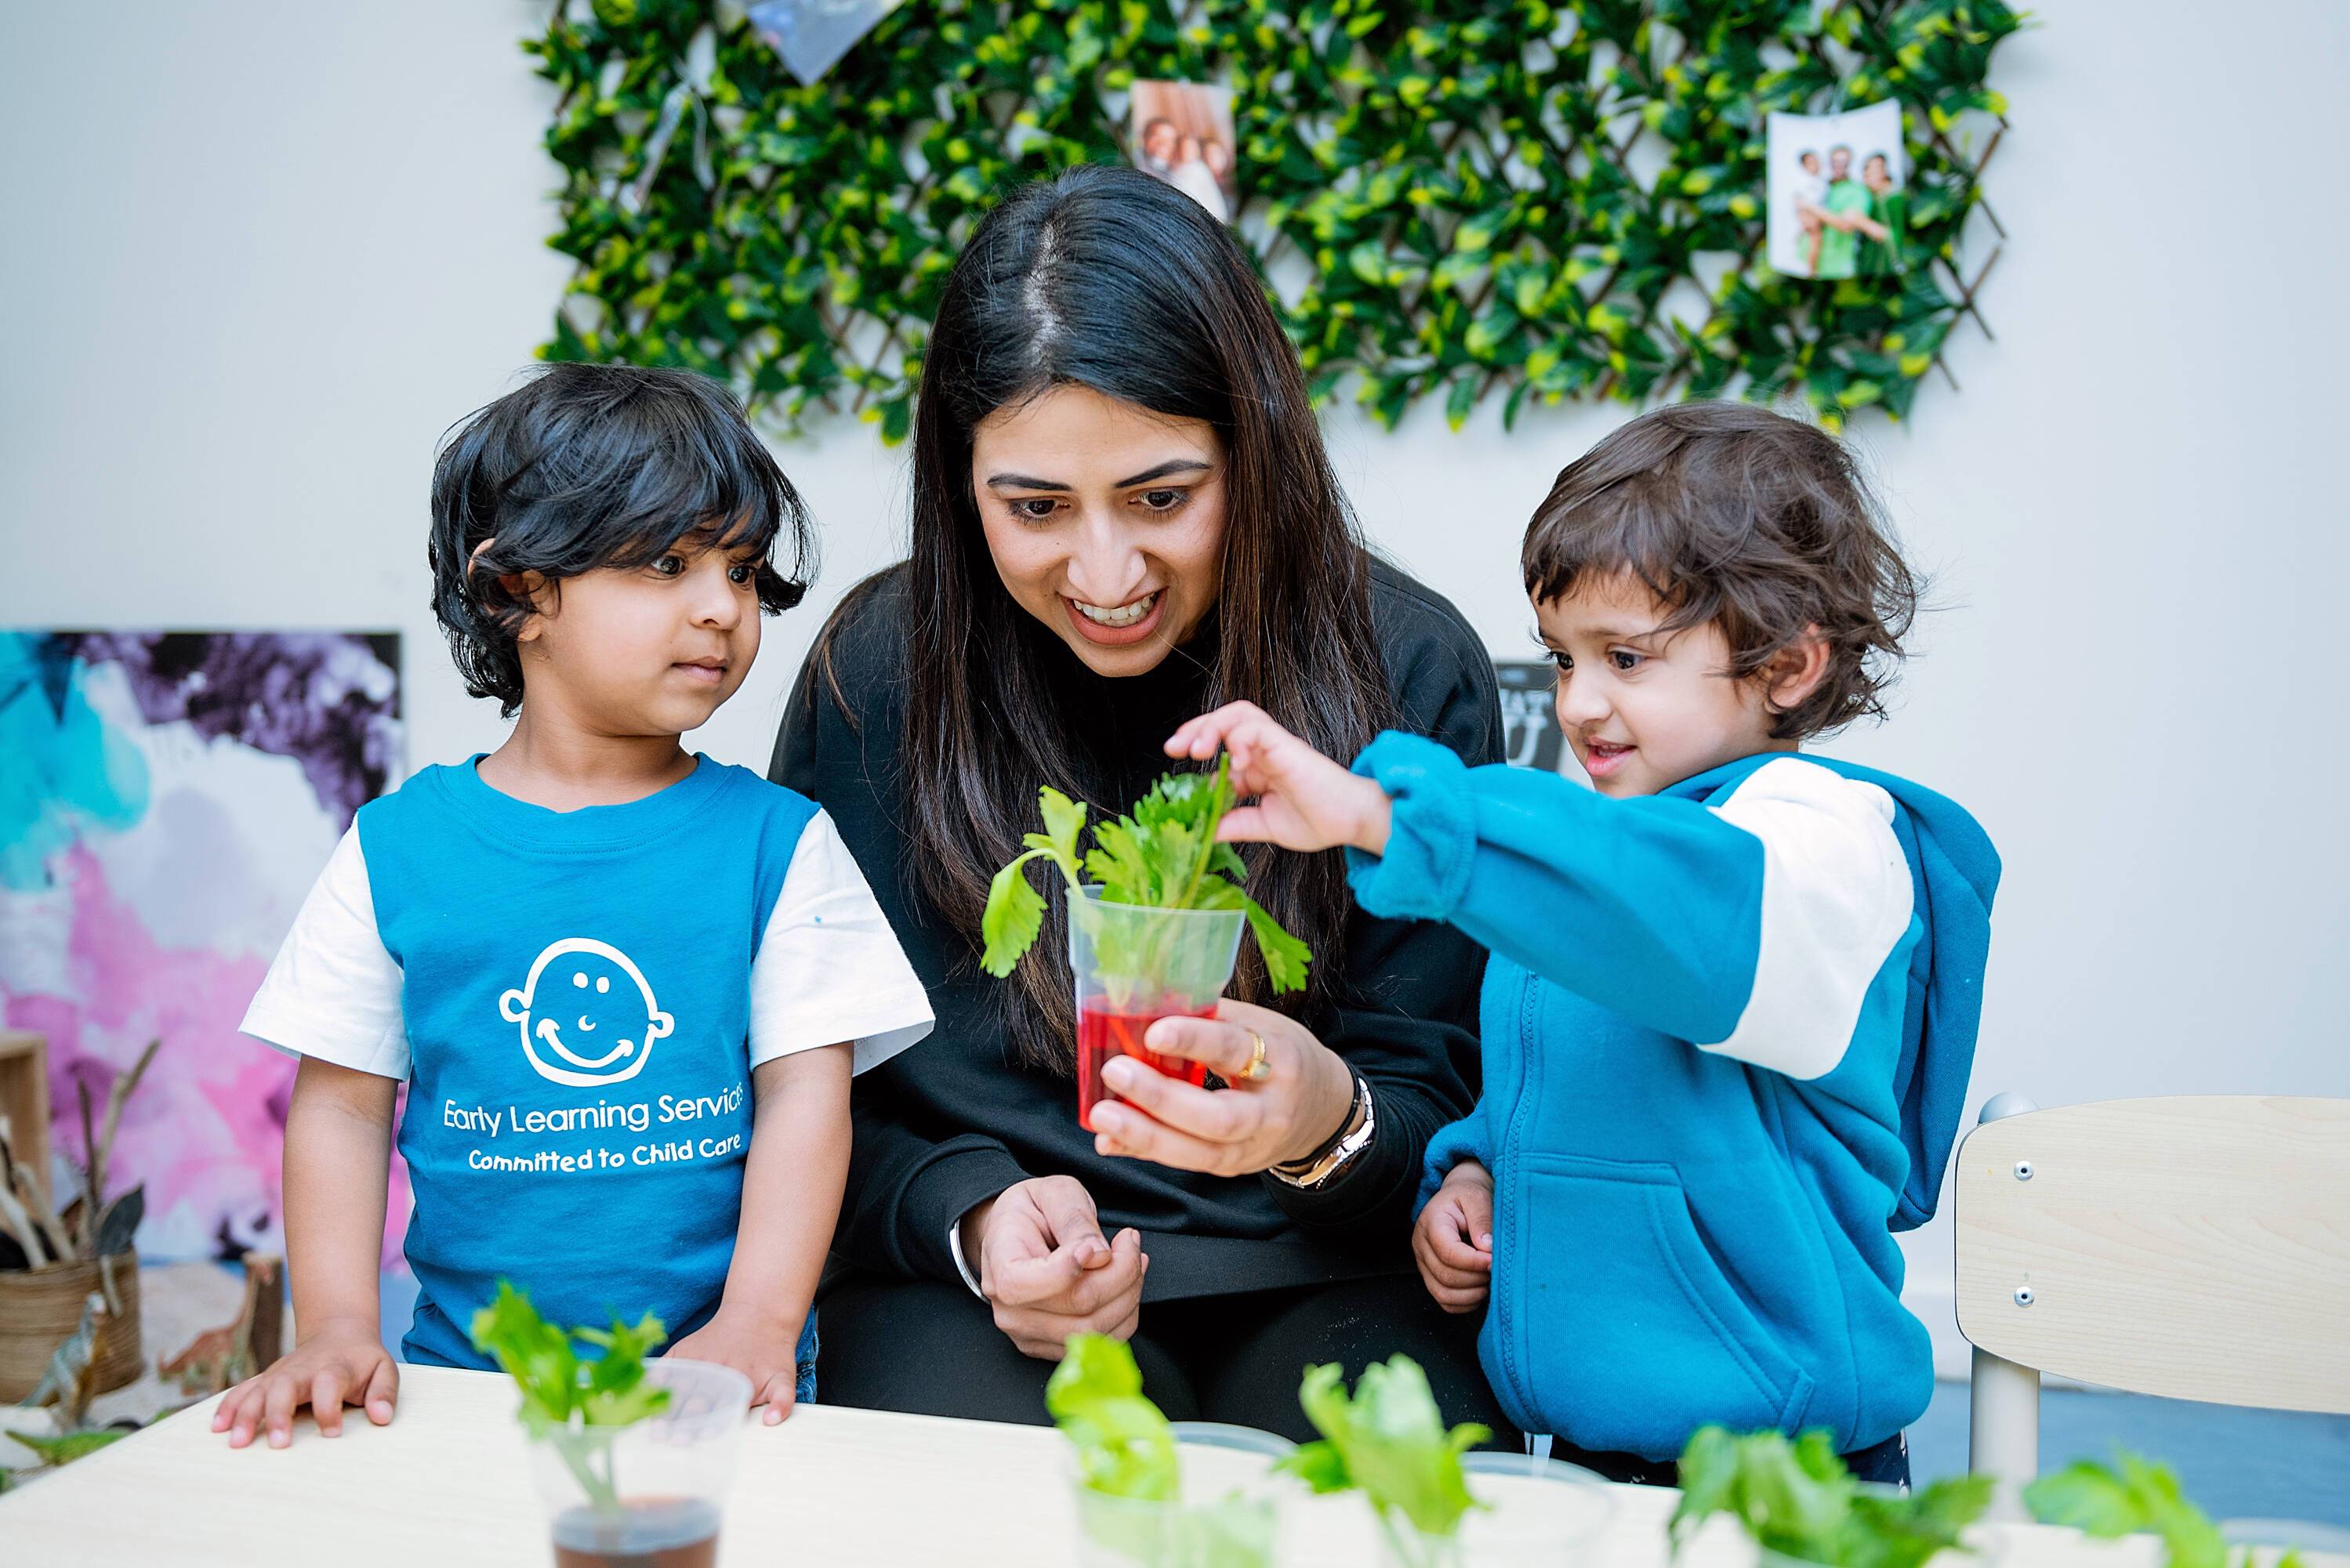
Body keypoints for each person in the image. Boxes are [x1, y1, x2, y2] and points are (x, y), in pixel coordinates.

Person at [771, 164, 1511, 1440]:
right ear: (960, 483)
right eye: (1035, 508)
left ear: (1255, 445)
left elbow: (1444, 1093)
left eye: (1162, 498)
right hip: (973, 1289)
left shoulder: (1405, 664)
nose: (1104, 571)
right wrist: (970, 1216)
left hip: (1328, 1268)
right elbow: (814, 1076)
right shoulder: (874, 673)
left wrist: (1327, 1119)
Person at [1166, 401, 1998, 1486]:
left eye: (1626, 656)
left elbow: (1681, 928)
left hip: (1787, 1474)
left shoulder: (1824, 847)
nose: (1580, 703)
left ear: (1788, 668)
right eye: (1562, 658)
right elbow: (1566, 1072)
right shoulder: (1588, 857)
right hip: (1586, 1453)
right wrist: (1471, 1175)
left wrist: (1386, 816)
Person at [216, 363, 934, 1449]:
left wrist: (756, 1320)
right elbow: (342, 1106)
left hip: (722, 1393)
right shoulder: (395, 853)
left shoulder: (780, 848)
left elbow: (804, 1100)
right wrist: (335, 1324)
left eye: (740, 570)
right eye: (667, 561)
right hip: (468, 1393)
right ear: (516, 591)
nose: (721, 607)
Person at [1815, 144, 1889, 280]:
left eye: (1842, 162)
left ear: (1849, 163)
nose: (1838, 165)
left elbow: (1846, 225)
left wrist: (1810, 208)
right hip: (1814, 260)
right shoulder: (1824, 187)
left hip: (1839, 265)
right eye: (1834, 161)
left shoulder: (1858, 191)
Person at [1860, 151, 1906, 277]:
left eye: (1876, 169)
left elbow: (1900, 234)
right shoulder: (1871, 198)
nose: (1869, 174)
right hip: (1871, 265)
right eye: (1867, 170)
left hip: (1889, 267)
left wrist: (1870, 227)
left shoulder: (1894, 197)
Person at [1167, 132, 1231, 223]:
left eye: (1191, 148)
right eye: (1184, 147)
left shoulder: (1200, 170)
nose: (1187, 151)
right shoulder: (1173, 171)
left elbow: (1212, 197)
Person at [1789, 147, 1828, 275]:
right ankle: (1812, 271)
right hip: (1809, 216)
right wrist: (1805, 218)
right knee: (1816, 239)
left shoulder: (1821, 181)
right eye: (1811, 163)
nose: (1815, 165)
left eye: (1816, 161)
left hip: (1817, 215)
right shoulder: (1803, 182)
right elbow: (1799, 202)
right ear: (1804, 166)